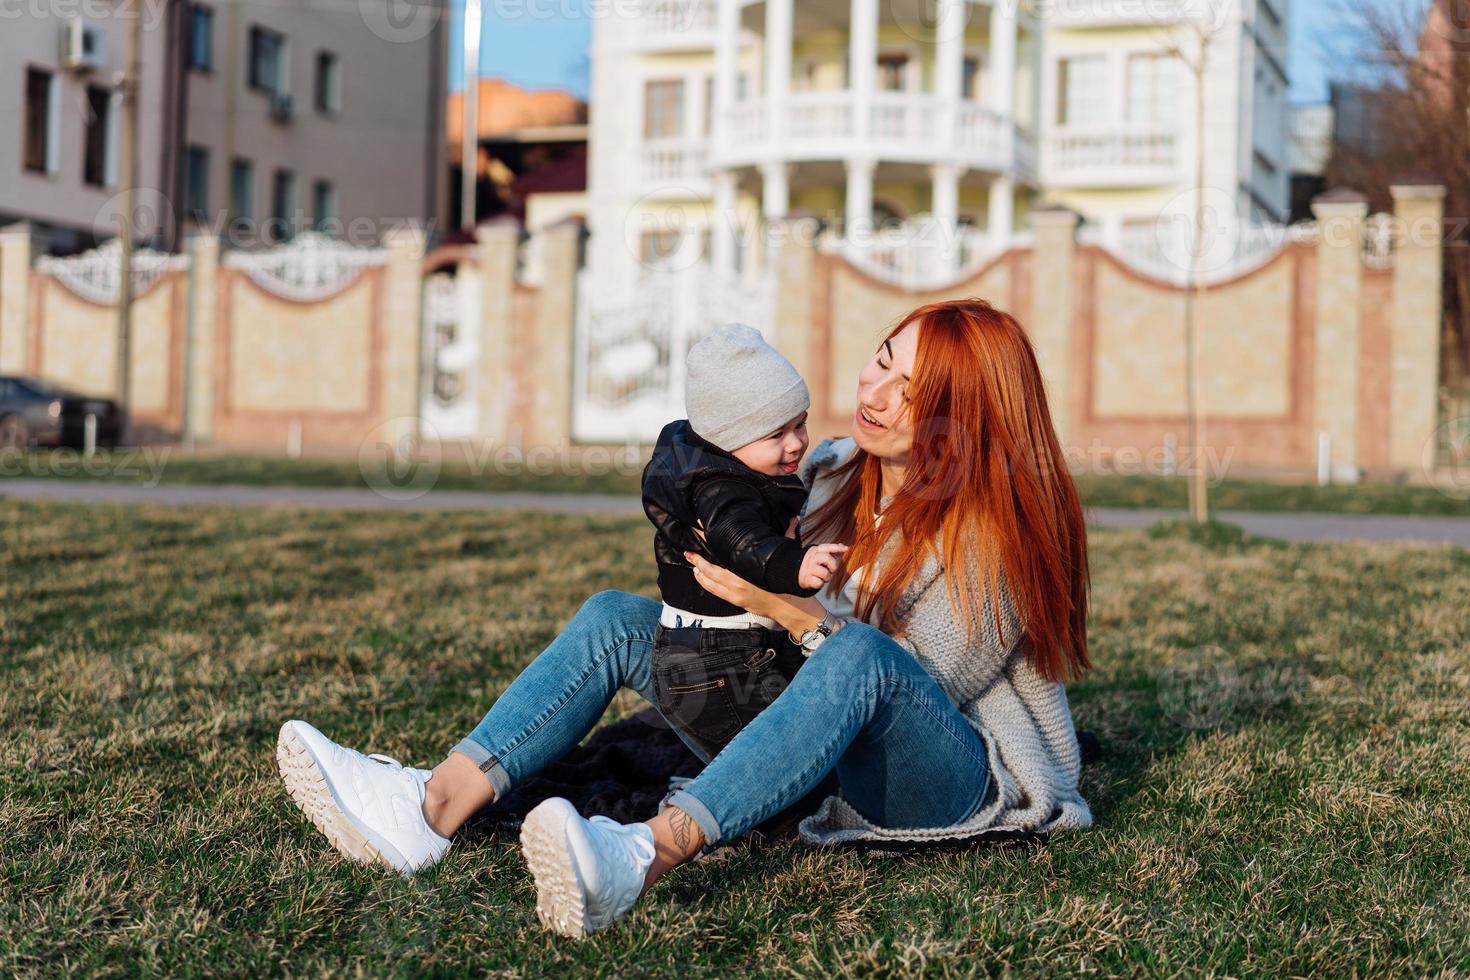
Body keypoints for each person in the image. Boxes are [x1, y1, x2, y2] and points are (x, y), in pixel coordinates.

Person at [276, 297, 1094, 941]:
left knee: (860, 657)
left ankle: (641, 856)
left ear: (967, 415)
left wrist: (777, 605)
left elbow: (908, 690)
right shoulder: (835, 467)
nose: (872, 395)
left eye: (909, 392)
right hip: (811, 732)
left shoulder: (998, 541)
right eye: (881, 363)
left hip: (945, 780)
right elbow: (706, 471)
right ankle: (430, 809)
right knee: (618, 617)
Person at [641, 322, 847, 761]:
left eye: (801, 424)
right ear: (729, 438)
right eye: (776, 434)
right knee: (767, 755)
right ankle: (740, 807)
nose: (796, 444)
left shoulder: (715, 465)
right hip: (722, 662)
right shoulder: (723, 489)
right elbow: (744, 543)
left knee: (742, 744)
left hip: (694, 654)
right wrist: (797, 565)